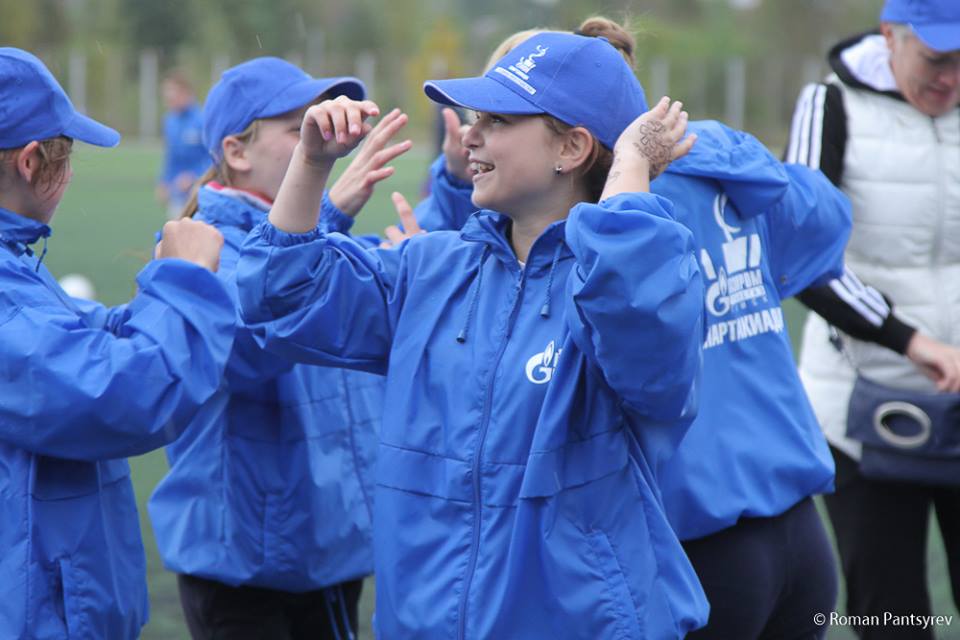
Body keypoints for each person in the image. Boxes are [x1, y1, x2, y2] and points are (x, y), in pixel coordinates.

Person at [235, 31, 710, 638]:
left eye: (498, 119)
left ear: (572, 147)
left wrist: (630, 170)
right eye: (474, 116)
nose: (469, 133)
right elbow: (277, 292)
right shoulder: (429, 268)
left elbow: (640, 330)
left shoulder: (634, 277)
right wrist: (310, 164)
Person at [147, 57, 411, 640]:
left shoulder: (324, 241)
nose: (322, 140)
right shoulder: (198, 247)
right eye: (299, 129)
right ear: (237, 152)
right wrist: (327, 215)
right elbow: (245, 343)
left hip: (325, 551)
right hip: (243, 568)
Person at [0, 47, 235, 639]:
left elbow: (76, 333)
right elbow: (126, 396)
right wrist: (185, 283)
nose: (71, 171)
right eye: (66, 153)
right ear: (31, 161)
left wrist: (157, 299)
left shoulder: (16, 265)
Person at [785, 0, 960, 636]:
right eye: (939, 60)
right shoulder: (829, 106)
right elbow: (803, 253)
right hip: (863, 415)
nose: (953, 80)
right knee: (893, 616)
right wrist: (910, 341)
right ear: (891, 37)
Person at [157, 71, 211, 220]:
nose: (168, 100)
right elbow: (171, 156)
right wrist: (164, 181)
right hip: (178, 194)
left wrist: (194, 177)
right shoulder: (169, 121)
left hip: (202, 194)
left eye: (172, 96)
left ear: (185, 93)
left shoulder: (203, 120)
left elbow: (215, 158)